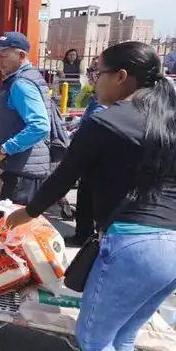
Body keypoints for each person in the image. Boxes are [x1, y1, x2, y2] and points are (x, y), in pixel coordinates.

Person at [3, 41, 176, 351]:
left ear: (122, 78)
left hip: (138, 244)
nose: (94, 82)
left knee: (94, 340)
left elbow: (64, 176)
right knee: (123, 336)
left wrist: (28, 212)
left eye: (98, 73)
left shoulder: (106, 122)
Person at [0, 31, 52, 205]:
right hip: (25, 169)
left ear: (21, 55)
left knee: (12, 229)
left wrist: (2, 150)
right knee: (12, 228)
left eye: (3, 56)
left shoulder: (21, 83)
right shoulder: (27, 78)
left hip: (23, 174)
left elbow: (39, 126)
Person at [66, 89, 108, 247]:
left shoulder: (105, 104)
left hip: (96, 158)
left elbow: (94, 122)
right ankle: (84, 233)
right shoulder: (94, 98)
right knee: (85, 197)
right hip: (90, 157)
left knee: (89, 198)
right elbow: (79, 103)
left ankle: (86, 235)